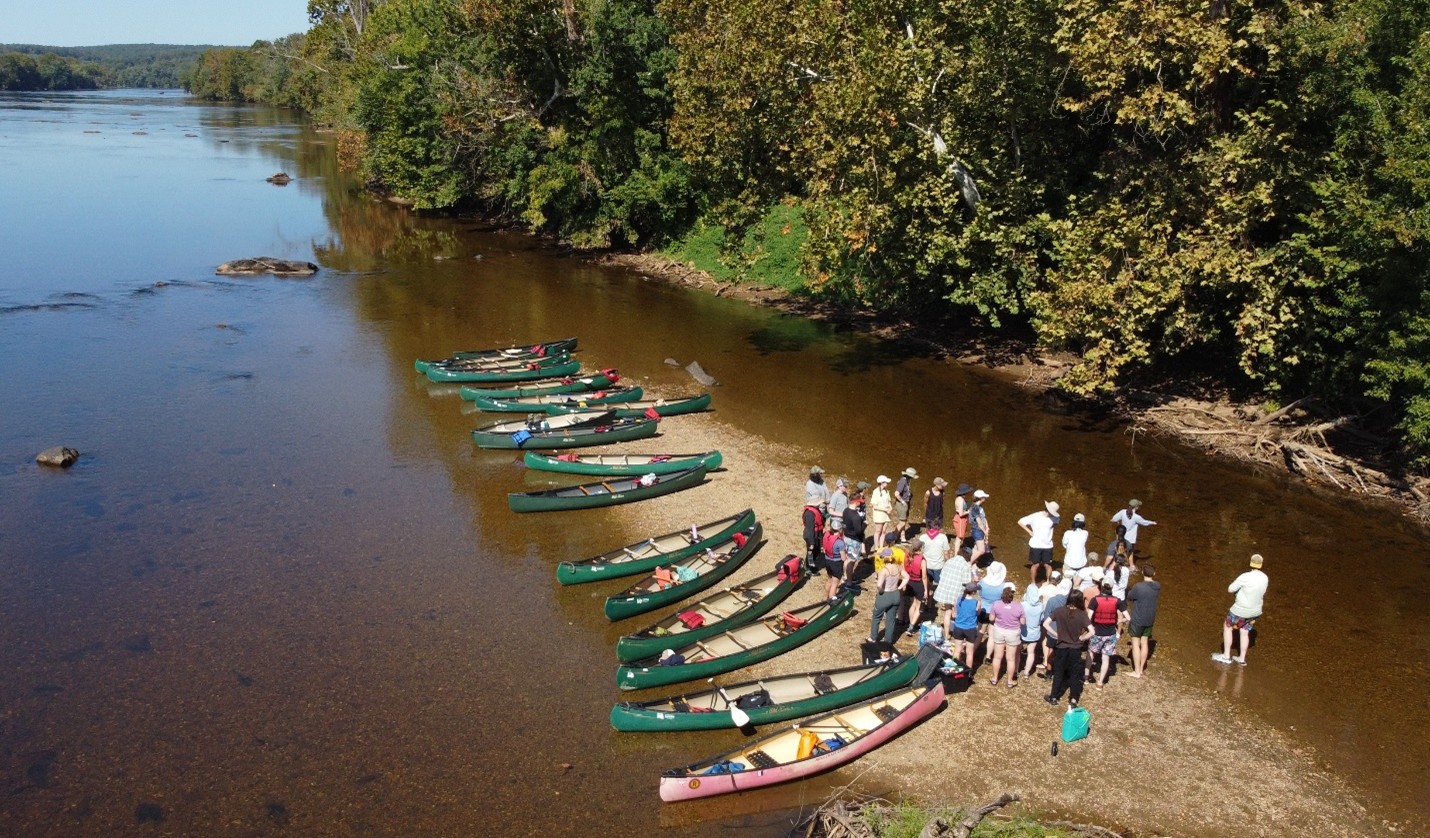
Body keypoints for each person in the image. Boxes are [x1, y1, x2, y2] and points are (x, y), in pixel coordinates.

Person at [1214, 553, 1268, 665]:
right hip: (1255, 611)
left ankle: (1226, 656)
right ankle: (1242, 659)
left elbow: (1230, 589)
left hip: (1240, 610)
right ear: (1261, 565)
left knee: (1227, 627)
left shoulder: (1245, 577)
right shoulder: (1265, 578)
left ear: (1250, 563)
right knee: (1244, 632)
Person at [1044, 589, 1093, 707]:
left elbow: (1045, 624)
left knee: (1059, 672)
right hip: (1075, 648)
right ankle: (1073, 699)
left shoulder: (1059, 611)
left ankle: (1054, 696)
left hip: (1061, 646)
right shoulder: (1082, 615)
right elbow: (1092, 631)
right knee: (1074, 674)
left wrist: (1056, 634)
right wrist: (1082, 638)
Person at [1086, 581, 1125, 688]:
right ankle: (1100, 683)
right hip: (1111, 633)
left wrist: (1090, 628)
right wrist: (1118, 622)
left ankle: (1086, 678)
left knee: (1091, 653)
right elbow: (1128, 617)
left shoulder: (1095, 600)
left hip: (1097, 632)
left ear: (1102, 587)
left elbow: (1088, 617)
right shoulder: (1117, 601)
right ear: (1112, 588)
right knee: (1105, 658)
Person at [1125, 564, 1161, 678]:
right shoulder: (1157, 586)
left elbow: (1130, 597)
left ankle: (1136, 671)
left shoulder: (1138, 586)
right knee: (1144, 642)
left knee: (1136, 644)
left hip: (1138, 618)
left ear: (1142, 573)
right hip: (1150, 618)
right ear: (1154, 574)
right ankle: (1141, 669)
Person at [868, 546, 909, 646]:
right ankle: (888, 641)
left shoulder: (884, 571)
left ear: (884, 558)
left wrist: (881, 591)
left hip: (885, 595)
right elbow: (907, 577)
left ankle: (873, 638)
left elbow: (879, 585)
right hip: (895, 594)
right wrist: (900, 587)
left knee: (876, 617)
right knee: (891, 619)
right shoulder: (899, 567)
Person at [1018, 500, 1059, 583]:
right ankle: (1033, 582)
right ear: (1047, 510)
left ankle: (1048, 581)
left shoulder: (1055, 518)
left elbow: (1055, 524)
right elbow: (1020, 522)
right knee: (1036, 565)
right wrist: (1029, 531)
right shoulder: (1035, 516)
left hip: (1048, 545)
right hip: (1035, 545)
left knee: (1047, 565)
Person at [945, 581, 982, 670]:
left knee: (957, 650)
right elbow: (978, 613)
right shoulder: (976, 602)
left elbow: (954, 614)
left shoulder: (958, 599)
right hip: (970, 629)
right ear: (973, 592)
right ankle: (968, 672)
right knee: (969, 653)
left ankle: (952, 669)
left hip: (958, 627)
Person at [1111, 499, 1157, 568]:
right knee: (1131, 552)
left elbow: (1113, 519)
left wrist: (1118, 522)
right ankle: (1131, 566)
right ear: (1136, 508)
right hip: (1130, 540)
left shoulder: (1122, 512)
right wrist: (1152, 522)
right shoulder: (1136, 517)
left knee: (1120, 551)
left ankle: (1117, 565)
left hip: (1121, 537)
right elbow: (1144, 523)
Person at [1019, 580, 1047, 681]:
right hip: (1035, 632)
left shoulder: (1023, 605)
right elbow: (1041, 619)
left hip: (1023, 630)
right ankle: (1026, 672)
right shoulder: (1041, 606)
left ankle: (1015, 670)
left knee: (1018, 652)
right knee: (1031, 652)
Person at [901, 539, 929, 634]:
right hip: (918, 583)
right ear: (920, 548)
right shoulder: (922, 560)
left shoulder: (908, 556)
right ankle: (911, 626)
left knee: (912, 604)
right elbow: (924, 576)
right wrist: (926, 590)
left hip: (910, 582)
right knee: (918, 606)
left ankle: (911, 623)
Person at [842, 481, 868, 571]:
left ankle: (845, 576)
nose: (860, 503)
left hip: (846, 537)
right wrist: (864, 525)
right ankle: (849, 581)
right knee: (851, 561)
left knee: (847, 559)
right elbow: (859, 531)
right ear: (856, 503)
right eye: (859, 502)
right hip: (854, 540)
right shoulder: (856, 516)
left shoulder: (845, 511)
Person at [821, 517, 848, 600]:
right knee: (835, 583)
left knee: (829, 580)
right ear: (840, 530)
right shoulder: (840, 543)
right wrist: (847, 556)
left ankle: (826, 596)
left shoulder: (827, 536)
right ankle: (831, 601)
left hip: (827, 561)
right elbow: (843, 558)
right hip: (836, 564)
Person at [918, 525, 950, 592]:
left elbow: (920, 552)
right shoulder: (943, 537)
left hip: (926, 564)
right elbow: (946, 553)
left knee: (928, 580)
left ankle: (929, 591)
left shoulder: (922, 537)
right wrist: (948, 562)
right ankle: (936, 594)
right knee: (938, 582)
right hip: (939, 565)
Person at [1061, 513, 1090, 578]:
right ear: (1083, 523)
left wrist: (1069, 547)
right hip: (1081, 564)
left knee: (1066, 581)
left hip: (1069, 563)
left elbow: (1064, 544)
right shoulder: (1085, 533)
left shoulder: (1067, 533)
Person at [869, 475, 894, 550]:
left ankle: (881, 546)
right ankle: (876, 547)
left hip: (886, 514)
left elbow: (889, 502)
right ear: (881, 483)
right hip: (879, 514)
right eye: (886, 482)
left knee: (884, 531)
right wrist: (885, 509)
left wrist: (890, 507)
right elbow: (874, 506)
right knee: (878, 531)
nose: (887, 483)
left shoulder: (886, 491)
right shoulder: (875, 492)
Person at [894, 467, 918, 540]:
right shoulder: (903, 481)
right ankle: (893, 538)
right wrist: (903, 501)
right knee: (902, 523)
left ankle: (903, 538)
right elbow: (896, 493)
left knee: (904, 521)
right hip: (902, 505)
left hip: (905, 504)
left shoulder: (907, 481)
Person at [801, 500, 825, 571]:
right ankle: (808, 568)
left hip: (817, 535)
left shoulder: (816, 510)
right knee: (811, 552)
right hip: (811, 536)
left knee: (816, 550)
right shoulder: (809, 514)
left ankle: (812, 565)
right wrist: (811, 542)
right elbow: (809, 529)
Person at [968, 489, 991, 560]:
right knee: (982, 550)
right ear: (980, 498)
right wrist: (985, 531)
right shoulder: (975, 508)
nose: (985, 498)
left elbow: (983, 517)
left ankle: (974, 564)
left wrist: (987, 526)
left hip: (981, 529)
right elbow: (979, 522)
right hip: (977, 530)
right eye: (984, 497)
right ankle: (969, 563)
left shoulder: (980, 506)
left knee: (976, 547)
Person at [950, 483, 972, 555]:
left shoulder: (960, 498)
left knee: (961, 537)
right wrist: (969, 511)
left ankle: (959, 551)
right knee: (959, 538)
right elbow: (961, 513)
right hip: (960, 519)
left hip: (961, 519)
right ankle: (956, 555)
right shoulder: (961, 500)